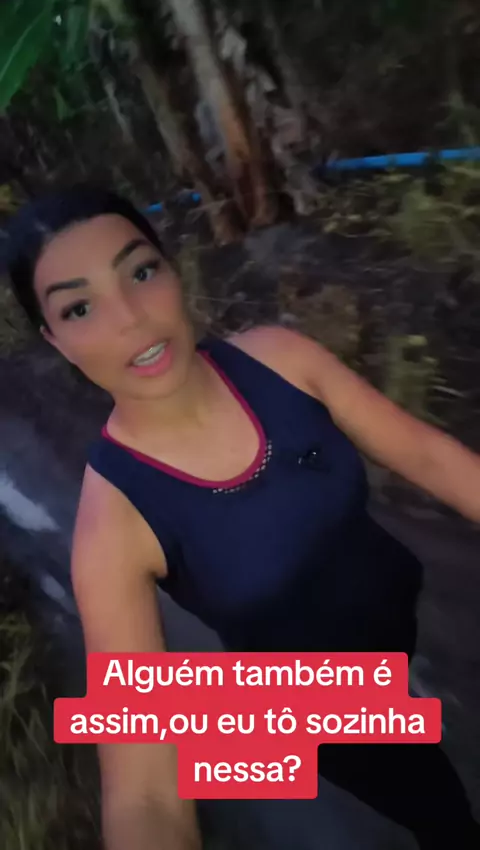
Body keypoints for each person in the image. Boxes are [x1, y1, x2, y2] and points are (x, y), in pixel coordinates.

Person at [4, 185, 480, 850]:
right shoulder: (112, 531)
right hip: (331, 710)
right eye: (80, 308)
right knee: (443, 813)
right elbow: (144, 790)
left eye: (140, 272)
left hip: (411, 612)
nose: (131, 320)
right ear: (55, 341)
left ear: (172, 267)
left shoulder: (280, 359)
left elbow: (430, 457)